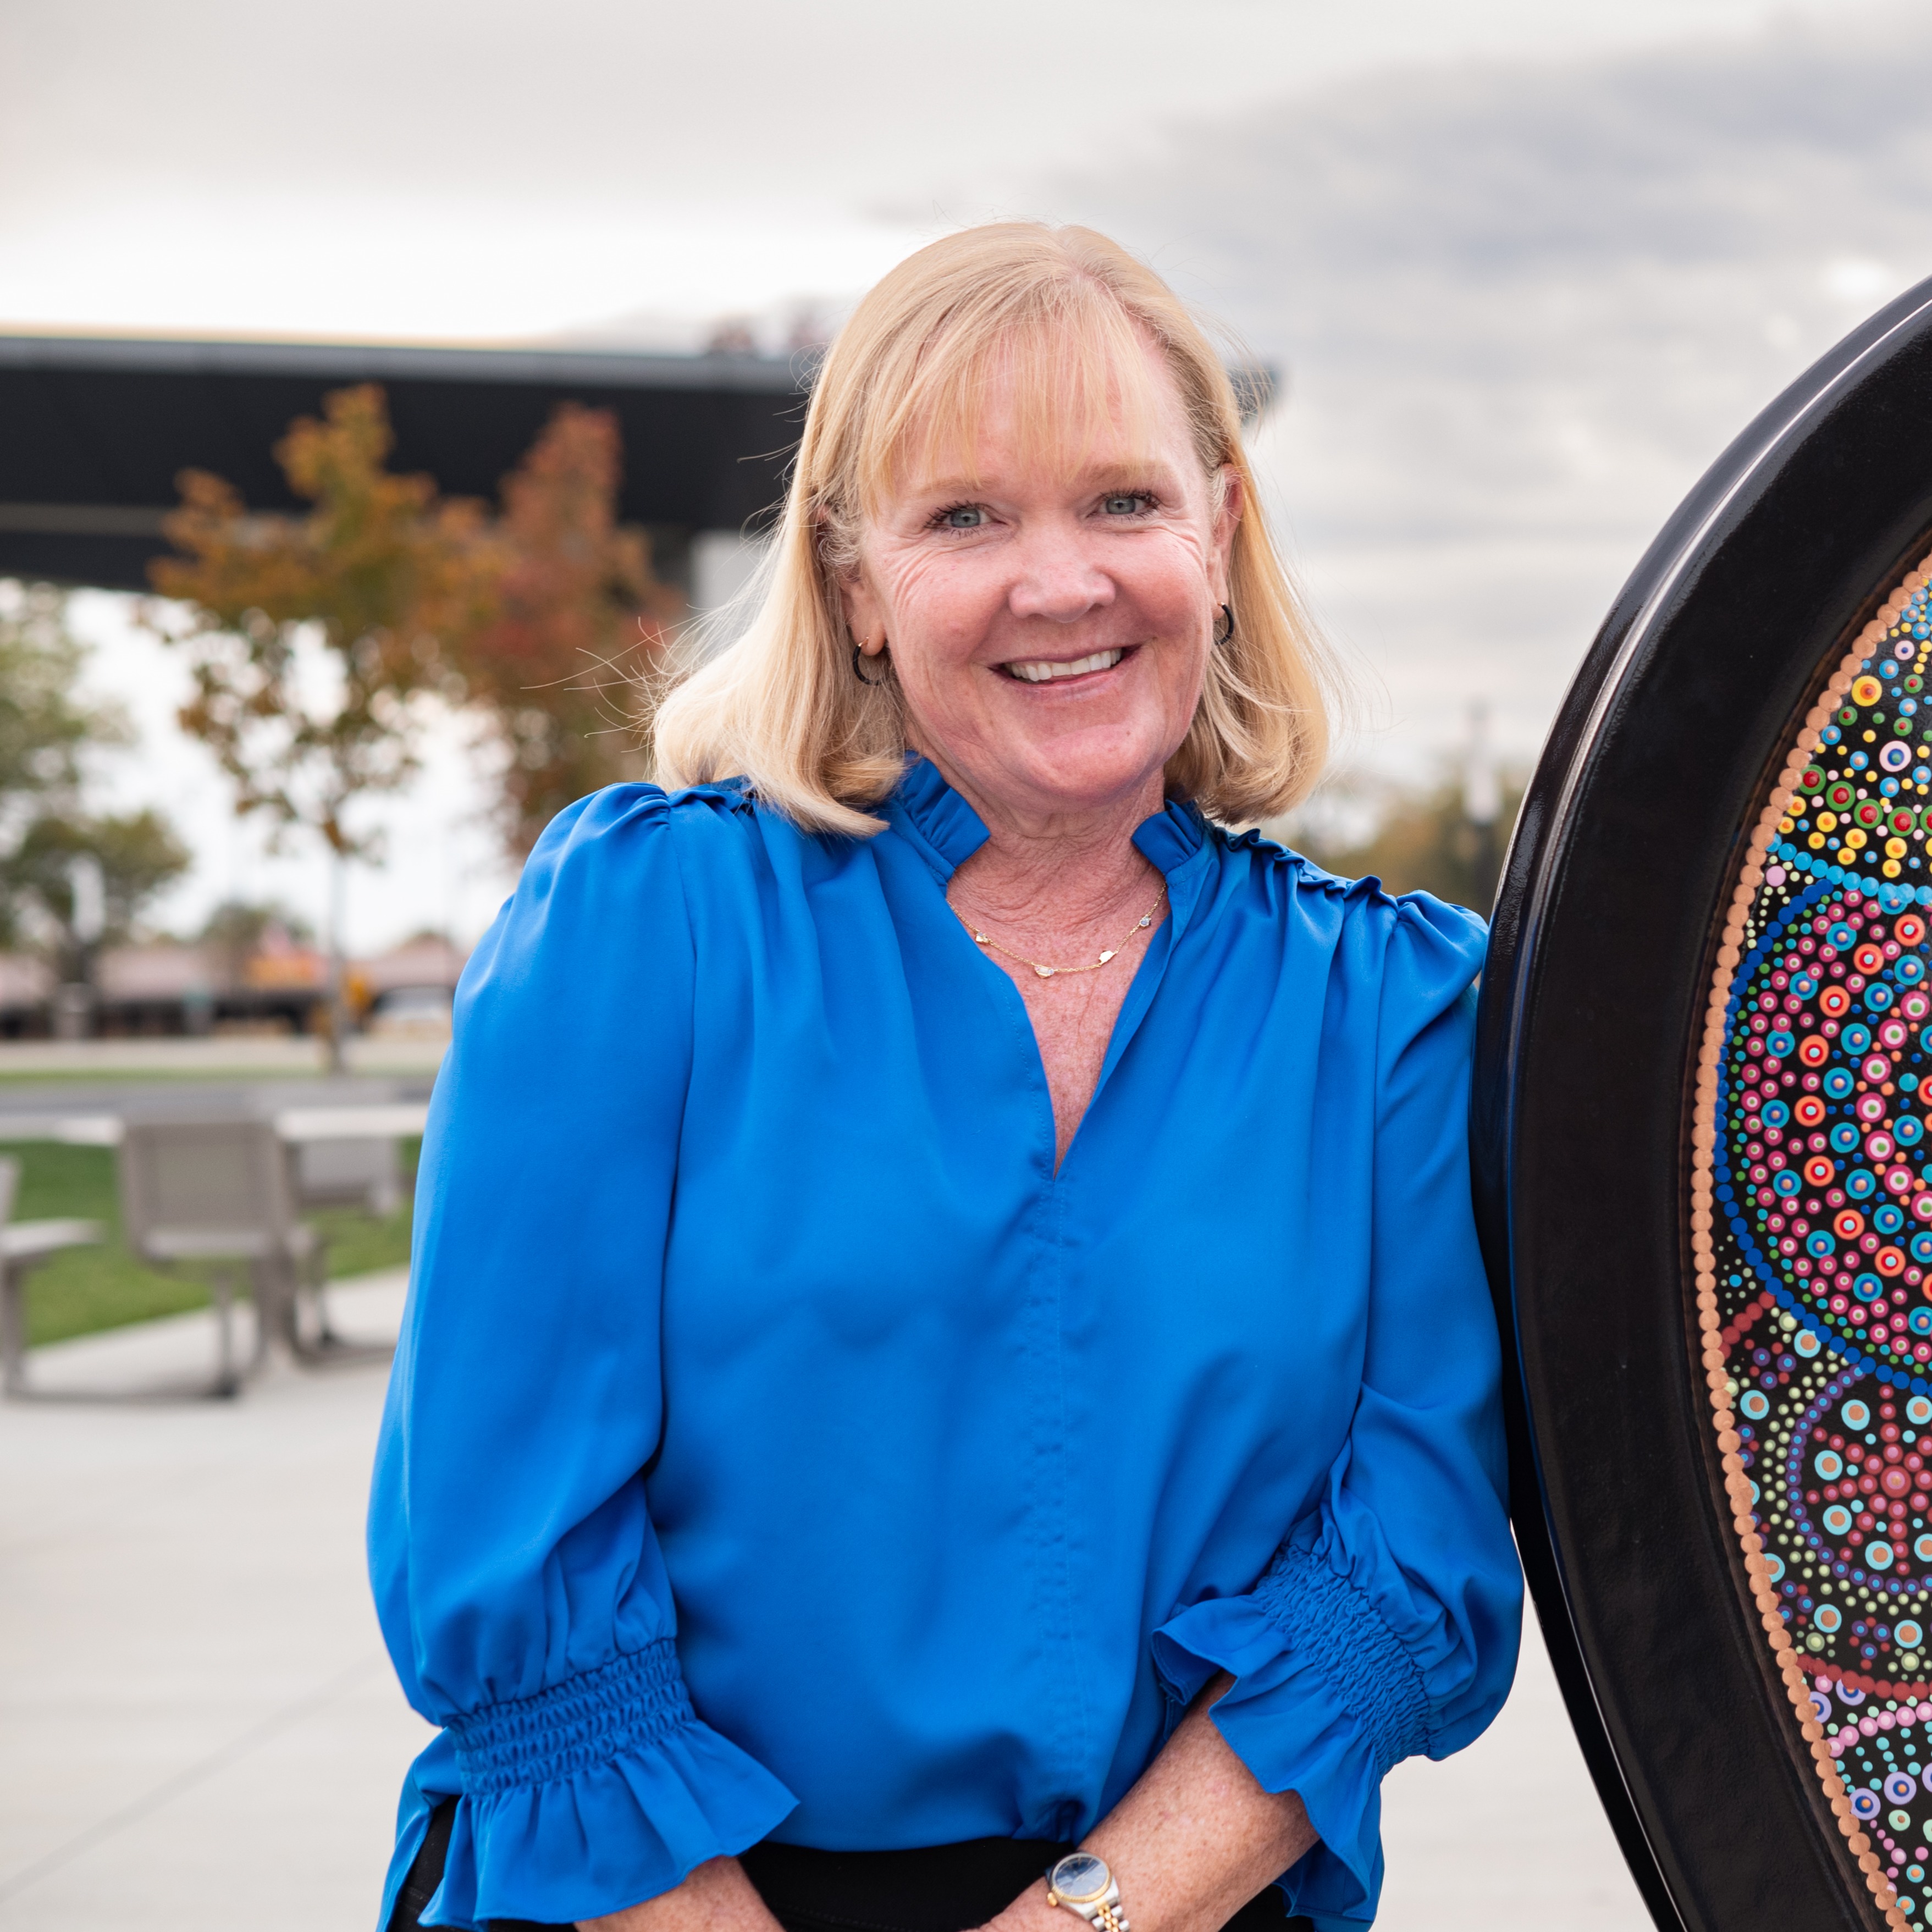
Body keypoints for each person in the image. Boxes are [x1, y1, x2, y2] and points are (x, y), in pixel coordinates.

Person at [369, 223, 1521, 1932]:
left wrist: (1080, 1920)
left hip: (1165, 1905)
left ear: (1217, 534)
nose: (1058, 583)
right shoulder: (646, 924)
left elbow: (1399, 1570)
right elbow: (503, 1546)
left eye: (1121, 501)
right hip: (643, 1900)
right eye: (966, 517)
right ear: (851, 581)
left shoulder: (1392, 1014)